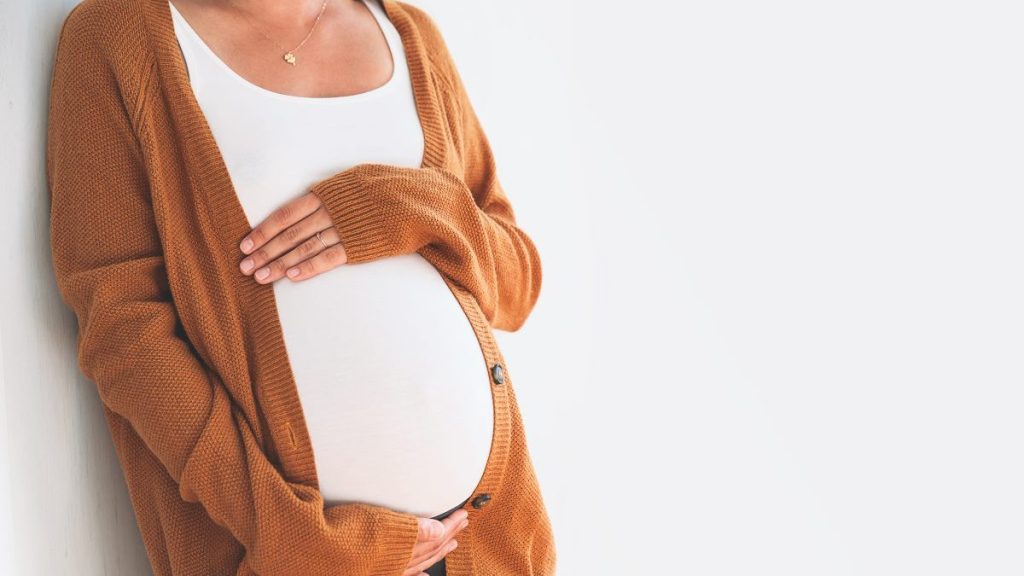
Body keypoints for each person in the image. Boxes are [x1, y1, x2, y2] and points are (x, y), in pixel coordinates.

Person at [46, 0, 556, 574]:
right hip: (287, 556)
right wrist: (289, 534)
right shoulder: (120, 38)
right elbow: (122, 329)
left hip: (482, 542)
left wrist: (414, 206)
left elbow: (519, 285)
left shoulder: (410, 33)